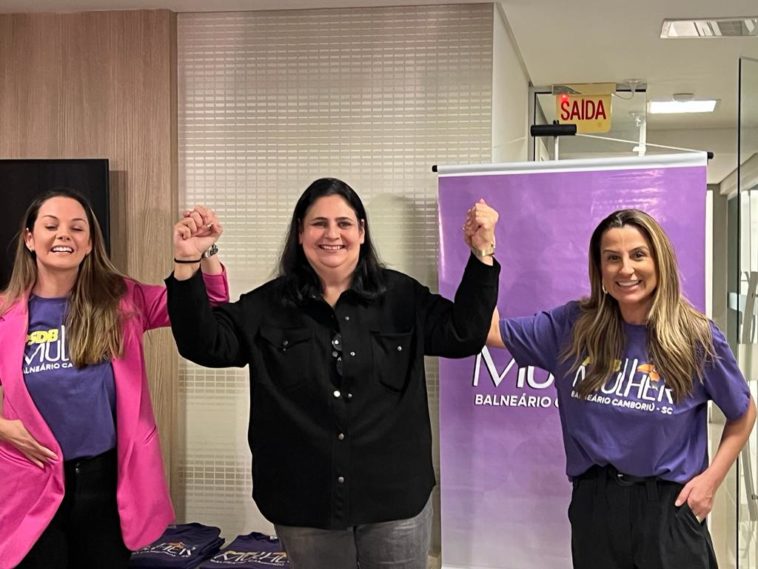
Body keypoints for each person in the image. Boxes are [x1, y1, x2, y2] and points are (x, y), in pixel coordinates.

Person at [165, 177, 500, 569]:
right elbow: (204, 345)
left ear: (361, 231)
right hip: (304, 504)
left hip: (395, 502)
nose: (332, 234)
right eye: (318, 223)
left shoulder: (403, 297)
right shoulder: (268, 305)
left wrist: (482, 255)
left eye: (343, 223)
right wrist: (187, 263)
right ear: (301, 233)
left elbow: (463, 334)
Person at [485, 208, 757, 569]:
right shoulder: (572, 327)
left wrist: (711, 481)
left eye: (638, 255)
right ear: (600, 269)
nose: (625, 269)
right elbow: (488, 330)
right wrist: (483, 253)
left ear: (660, 261)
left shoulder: (695, 337)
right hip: (596, 509)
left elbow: (743, 412)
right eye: (612, 258)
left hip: (670, 510)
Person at [0, 189, 229, 569]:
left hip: (105, 484)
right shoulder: (5, 313)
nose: (64, 235)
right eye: (51, 226)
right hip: (29, 485)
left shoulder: (123, 298)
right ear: (29, 238)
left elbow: (206, 307)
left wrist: (201, 254)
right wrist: (3, 427)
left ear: (90, 243)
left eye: (77, 228)